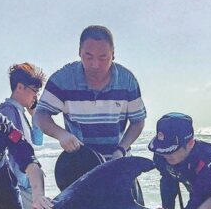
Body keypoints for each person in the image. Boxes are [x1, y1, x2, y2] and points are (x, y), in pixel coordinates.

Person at [34, 25, 146, 160]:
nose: (95, 64)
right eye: (89, 57)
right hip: (80, 164)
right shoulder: (63, 80)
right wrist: (61, 134)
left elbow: (138, 121)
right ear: (79, 52)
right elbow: (40, 114)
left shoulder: (127, 80)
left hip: (117, 161)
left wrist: (121, 148)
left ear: (113, 54)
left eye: (103, 58)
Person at [0, 62, 52, 209]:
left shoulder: (20, 112)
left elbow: (38, 140)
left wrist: (34, 113)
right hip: (19, 184)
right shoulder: (8, 111)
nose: (36, 96)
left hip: (27, 182)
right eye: (34, 91)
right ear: (20, 87)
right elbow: (11, 152)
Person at [147, 112, 211, 209]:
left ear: (190, 143)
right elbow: (167, 181)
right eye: (163, 151)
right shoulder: (160, 155)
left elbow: (201, 195)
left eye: (171, 151)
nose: (166, 156)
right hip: (193, 187)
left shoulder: (208, 160)